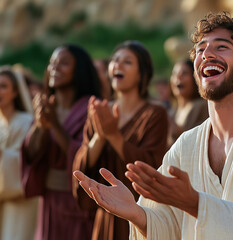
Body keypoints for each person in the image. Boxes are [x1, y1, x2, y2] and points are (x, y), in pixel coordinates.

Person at [74, 12, 233, 239]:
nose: (207, 54)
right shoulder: (187, 145)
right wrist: (137, 214)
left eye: (221, 47)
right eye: (201, 49)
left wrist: (195, 204)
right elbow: (170, 226)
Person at [72, 41, 169, 240]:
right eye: (115, 60)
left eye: (127, 62)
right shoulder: (99, 112)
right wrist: (100, 135)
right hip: (105, 214)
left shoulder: (154, 114)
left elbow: (151, 164)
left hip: (138, 212)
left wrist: (114, 136)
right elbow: (82, 164)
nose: (118, 65)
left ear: (142, 73)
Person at [21, 44, 101, 240]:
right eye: (52, 63)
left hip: (77, 201)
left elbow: (83, 157)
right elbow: (31, 153)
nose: (55, 68)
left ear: (79, 70)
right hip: (49, 200)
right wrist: (41, 124)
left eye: (64, 63)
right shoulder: (48, 105)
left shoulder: (91, 108)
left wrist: (55, 125)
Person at [0, 66, 37, 240]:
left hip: (19, 199)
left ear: (15, 92)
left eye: (3, 86)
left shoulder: (26, 123)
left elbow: (29, 162)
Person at [168, 59, 208, 146]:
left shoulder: (202, 105)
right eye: (175, 74)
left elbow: (199, 140)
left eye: (184, 73)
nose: (178, 78)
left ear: (195, 78)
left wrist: (175, 129)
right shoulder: (173, 110)